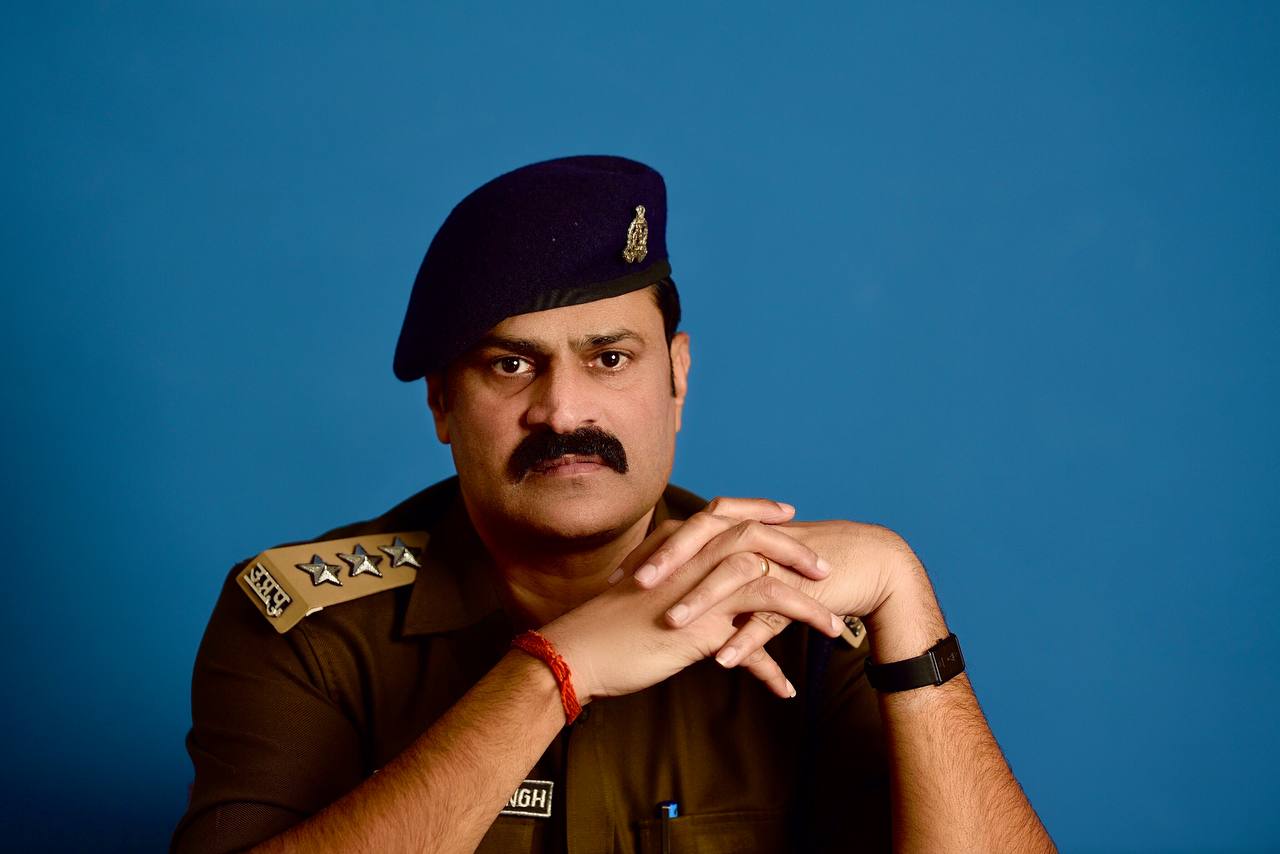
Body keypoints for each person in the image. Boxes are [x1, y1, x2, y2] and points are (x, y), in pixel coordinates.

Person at [172, 155, 1054, 853]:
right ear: (441, 404)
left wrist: (904, 592)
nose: (563, 411)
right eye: (511, 364)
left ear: (677, 378)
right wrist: (555, 671)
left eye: (609, 358)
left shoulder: (803, 616)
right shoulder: (310, 627)